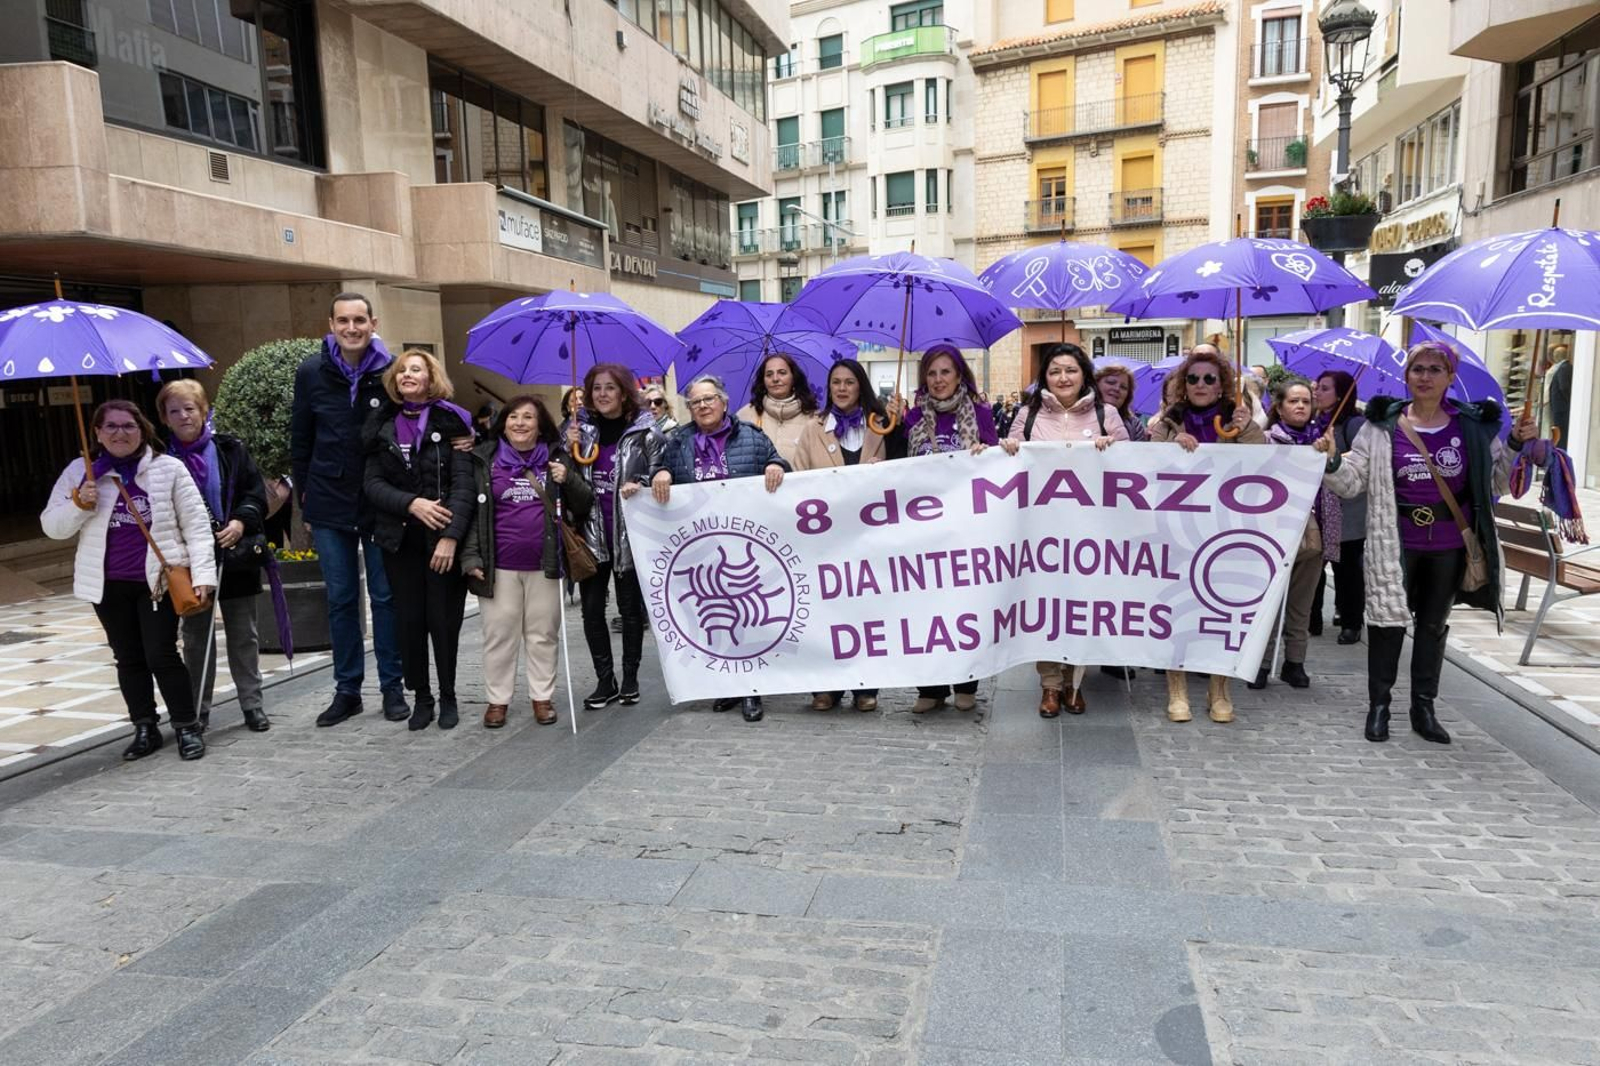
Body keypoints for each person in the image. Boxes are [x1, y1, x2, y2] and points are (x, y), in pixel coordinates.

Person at [1316, 340, 1536, 744]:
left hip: (1451, 544)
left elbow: (1498, 482)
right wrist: (1331, 460)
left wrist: (1518, 445)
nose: (1425, 377)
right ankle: (1379, 707)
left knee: (1433, 626)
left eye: (1435, 370)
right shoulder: (1380, 426)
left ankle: (1424, 707)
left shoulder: (1470, 426)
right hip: (1393, 541)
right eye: (1418, 369)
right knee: (1385, 623)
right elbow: (1352, 482)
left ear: (1450, 378)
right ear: (1407, 375)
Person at [41, 401, 216, 761]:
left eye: (128, 426)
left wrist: (203, 575)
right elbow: (52, 527)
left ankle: (186, 726)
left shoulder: (169, 469)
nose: (119, 433)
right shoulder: (82, 473)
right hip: (106, 584)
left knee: (161, 654)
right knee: (128, 657)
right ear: (97, 433)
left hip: (157, 582)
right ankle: (144, 726)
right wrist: (78, 503)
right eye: (110, 427)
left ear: (143, 430)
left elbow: (196, 526)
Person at [290, 292, 406, 727]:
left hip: (379, 499)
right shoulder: (311, 372)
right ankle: (347, 690)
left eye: (360, 320)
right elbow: (300, 439)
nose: (352, 328)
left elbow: (414, 421)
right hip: (327, 499)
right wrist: (304, 494)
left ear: (373, 323)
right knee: (340, 599)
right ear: (332, 324)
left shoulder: (390, 370)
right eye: (344, 320)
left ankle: (392, 688)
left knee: (385, 597)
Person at [650, 373, 789, 722]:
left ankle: (752, 689)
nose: (702, 406)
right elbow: (659, 473)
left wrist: (775, 465)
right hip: (701, 549)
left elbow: (778, 463)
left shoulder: (752, 438)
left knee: (747, 614)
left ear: (724, 403)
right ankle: (726, 684)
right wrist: (660, 474)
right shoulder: (678, 442)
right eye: (695, 402)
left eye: (708, 399)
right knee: (715, 618)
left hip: (744, 546)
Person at [999, 343, 1128, 717]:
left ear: (1083, 374)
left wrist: (1113, 448)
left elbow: (1132, 465)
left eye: (1070, 370)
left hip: (1092, 532)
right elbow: (1011, 458)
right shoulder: (1028, 414)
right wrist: (1008, 447)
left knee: (1081, 605)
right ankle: (1050, 686)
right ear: (1046, 377)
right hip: (1042, 531)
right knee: (1046, 607)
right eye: (1055, 371)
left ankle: (1076, 681)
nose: (1062, 378)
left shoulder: (1108, 414)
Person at [1149, 346, 1265, 725]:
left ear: (1221, 387)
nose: (1201, 385)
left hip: (1225, 530)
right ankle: (1177, 688)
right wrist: (1172, 448)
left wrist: (1246, 428)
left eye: (1209, 379)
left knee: (1223, 610)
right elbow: (1146, 465)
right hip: (1177, 531)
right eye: (1193, 378)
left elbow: (1265, 460)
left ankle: (1220, 689)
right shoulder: (1169, 421)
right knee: (1175, 608)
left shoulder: (1237, 420)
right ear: (1184, 384)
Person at [460, 396, 591, 728]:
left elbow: (584, 502)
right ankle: (497, 701)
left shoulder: (558, 457)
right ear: (504, 423)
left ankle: (541, 697)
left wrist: (568, 478)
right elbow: (474, 513)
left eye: (528, 417)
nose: (519, 423)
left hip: (546, 564)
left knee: (542, 633)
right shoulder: (484, 459)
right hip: (499, 564)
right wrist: (471, 556)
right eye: (513, 417)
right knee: (499, 634)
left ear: (540, 425)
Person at [363, 349, 476, 730]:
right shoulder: (381, 424)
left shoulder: (454, 422)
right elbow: (372, 484)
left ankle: (448, 695)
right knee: (409, 622)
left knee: (443, 621)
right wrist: (412, 504)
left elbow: (465, 486)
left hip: (442, 541)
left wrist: (450, 538)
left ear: (431, 379)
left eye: (417, 370)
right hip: (399, 540)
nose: (408, 375)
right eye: (402, 371)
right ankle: (422, 697)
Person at [157, 380, 271, 734]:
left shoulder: (230, 449)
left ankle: (252, 705)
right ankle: (197, 712)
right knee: (195, 637)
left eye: (190, 408)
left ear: (204, 410)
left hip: (232, 553)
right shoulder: (160, 458)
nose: (183, 416)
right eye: (174, 410)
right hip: (187, 562)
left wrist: (240, 521)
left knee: (243, 634)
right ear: (164, 418)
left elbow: (256, 494)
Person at [792, 358, 905, 712]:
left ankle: (864, 686)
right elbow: (797, 476)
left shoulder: (881, 425)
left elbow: (904, 469)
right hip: (825, 538)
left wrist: (883, 467)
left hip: (869, 536)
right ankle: (826, 685)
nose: (841, 389)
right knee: (827, 613)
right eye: (835, 382)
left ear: (861, 387)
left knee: (865, 613)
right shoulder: (814, 428)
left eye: (849, 382)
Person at [904, 344, 999, 714]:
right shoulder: (913, 417)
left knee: (964, 608)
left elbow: (996, 462)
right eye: (931, 373)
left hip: (966, 529)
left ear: (960, 375)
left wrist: (988, 451)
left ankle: (965, 682)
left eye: (945, 372)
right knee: (925, 609)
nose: (938, 380)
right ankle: (930, 687)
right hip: (922, 529)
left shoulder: (980, 413)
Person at [567, 363, 664, 709]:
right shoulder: (579, 430)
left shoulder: (646, 432)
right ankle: (604, 680)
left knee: (630, 610)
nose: (603, 394)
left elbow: (663, 475)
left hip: (629, 536)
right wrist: (566, 447)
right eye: (596, 388)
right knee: (591, 611)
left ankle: (630, 679)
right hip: (590, 535)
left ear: (624, 393)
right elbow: (563, 480)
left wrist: (644, 485)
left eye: (610, 388)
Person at [1249, 378, 1336, 692]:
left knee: (1302, 604)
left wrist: (1329, 454)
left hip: (1313, 535)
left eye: (1306, 401)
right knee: (1269, 603)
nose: (1300, 406)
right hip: (1274, 534)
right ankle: (1259, 662)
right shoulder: (1268, 440)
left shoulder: (1323, 439)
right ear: (1279, 407)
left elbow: (1338, 478)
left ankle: (1294, 663)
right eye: (1293, 401)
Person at [1313, 370, 1368, 645]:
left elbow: (1362, 458)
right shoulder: (1315, 421)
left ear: (1341, 394)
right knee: (1313, 563)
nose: (1317, 392)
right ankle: (1312, 619)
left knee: (1348, 569)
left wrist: (1334, 455)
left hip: (1348, 508)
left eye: (1324, 388)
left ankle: (1351, 622)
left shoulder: (1356, 423)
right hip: (1319, 506)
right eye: (1317, 387)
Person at [735, 353, 821, 465]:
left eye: (782, 373)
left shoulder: (814, 418)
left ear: (794, 377)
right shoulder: (745, 416)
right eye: (769, 374)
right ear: (763, 381)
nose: (775, 379)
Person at [1095, 363, 1149, 442]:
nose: (1117, 388)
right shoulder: (1079, 415)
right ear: (1096, 385)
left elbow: (1139, 453)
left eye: (1123, 387)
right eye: (1111, 382)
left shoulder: (1134, 425)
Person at [1547, 343, 1572, 444]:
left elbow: (1564, 387)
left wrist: (1569, 401)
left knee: (1561, 435)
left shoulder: (1564, 368)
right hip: (1560, 409)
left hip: (1562, 409)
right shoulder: (1563, 368)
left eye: (1555, 355)